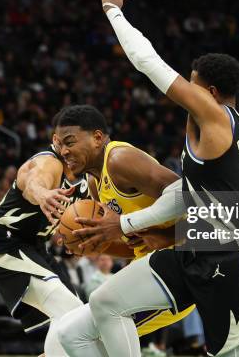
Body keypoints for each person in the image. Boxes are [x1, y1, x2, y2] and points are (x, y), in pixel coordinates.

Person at [58, 0, 239, 357]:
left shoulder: (217, 118)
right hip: (191, 250)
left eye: (192, 84)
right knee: (103, 305)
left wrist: (112, 11)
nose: (185, 93)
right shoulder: (226, 131)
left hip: (228, 259)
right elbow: (188, 195)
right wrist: (157, 235)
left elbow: (146, 61)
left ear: (211, 92)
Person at [52, 105, 195, 355]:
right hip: (151, 272)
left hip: (182, 268)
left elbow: (192, 200)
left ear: (97, 138)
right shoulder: (95, 183)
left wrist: (165, 236)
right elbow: (133, 246)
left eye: (70, 142)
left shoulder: (119, 159)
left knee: (97, 311)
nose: (63, 151)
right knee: (68, 334)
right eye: (59, 145)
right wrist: (92, 244)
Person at [0, 116, 90, 357]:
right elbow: (33, 182)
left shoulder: (89, 177)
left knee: (76, 318)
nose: (68, 149)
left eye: (75, 142)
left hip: (35, 247)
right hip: (2, 239)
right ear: (55, 141)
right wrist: (43, 194)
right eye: (64, 142)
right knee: (72, 313)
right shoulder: (49, 163)